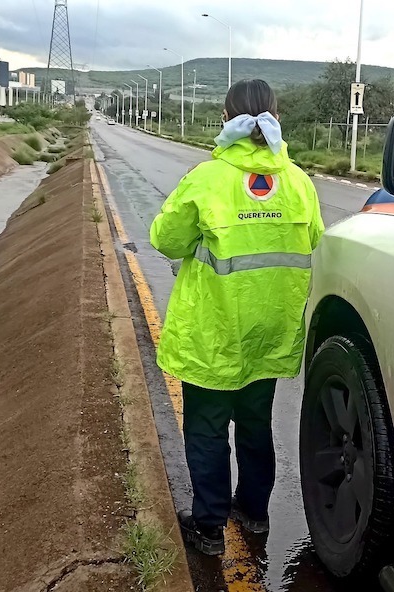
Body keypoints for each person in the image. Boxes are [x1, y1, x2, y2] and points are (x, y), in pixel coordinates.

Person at [149, 79, 324, 556]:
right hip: (268, 330)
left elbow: (166, 241)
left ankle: (208, 527)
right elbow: (312, 241)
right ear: (275, 116)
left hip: (214, 332)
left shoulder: (208, 179)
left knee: (207, 430)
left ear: (227, 117)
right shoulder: (299, 182)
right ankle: (254, 512)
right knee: (254, 425)